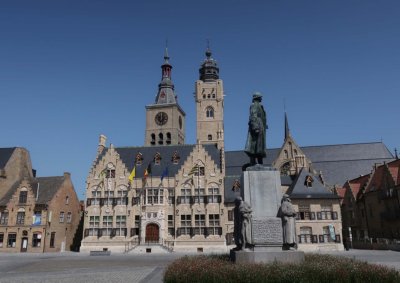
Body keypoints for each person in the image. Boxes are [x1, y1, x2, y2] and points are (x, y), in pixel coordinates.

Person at [244, 92, 267, 165]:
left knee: (259, 145)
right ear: (257, 97)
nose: (261, 98)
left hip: (260, 126)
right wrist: (255, 127)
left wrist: (264, 125)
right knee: (254, 145)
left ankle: (260, 162)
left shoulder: (260, 106)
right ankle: (253, 162)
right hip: (257, 127)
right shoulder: (254, 106)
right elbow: (253, 116)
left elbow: (262, 117)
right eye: (260, 97)